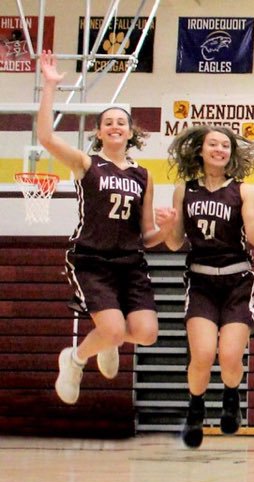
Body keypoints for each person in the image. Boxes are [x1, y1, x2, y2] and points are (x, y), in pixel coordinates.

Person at [37, 51, 164, 405]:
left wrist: (168, 232)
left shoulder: (143, 175)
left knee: (147, 334)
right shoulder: (86, 164)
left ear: (130, 131)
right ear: (99, 131)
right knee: (111, 329)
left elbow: (147, 234)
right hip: (92, 260)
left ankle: (112, 341)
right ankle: (75, 359)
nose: (114, 126)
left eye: (120, 122)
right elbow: (46, 137)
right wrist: (50, 86)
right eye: (107, 122)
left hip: (130, 264)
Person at [160, 125, 254, 447]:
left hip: (237, 279)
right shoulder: (185, 190)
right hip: (200, 280)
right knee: (201, 354)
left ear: (231, 153)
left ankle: (230, 395)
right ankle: (195, 409)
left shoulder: (242, 191)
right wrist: (167, 226)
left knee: (228, 357)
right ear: (200, 150)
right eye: (213, 144)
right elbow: (173, 244)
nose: (219, 149)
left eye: (225, 145)